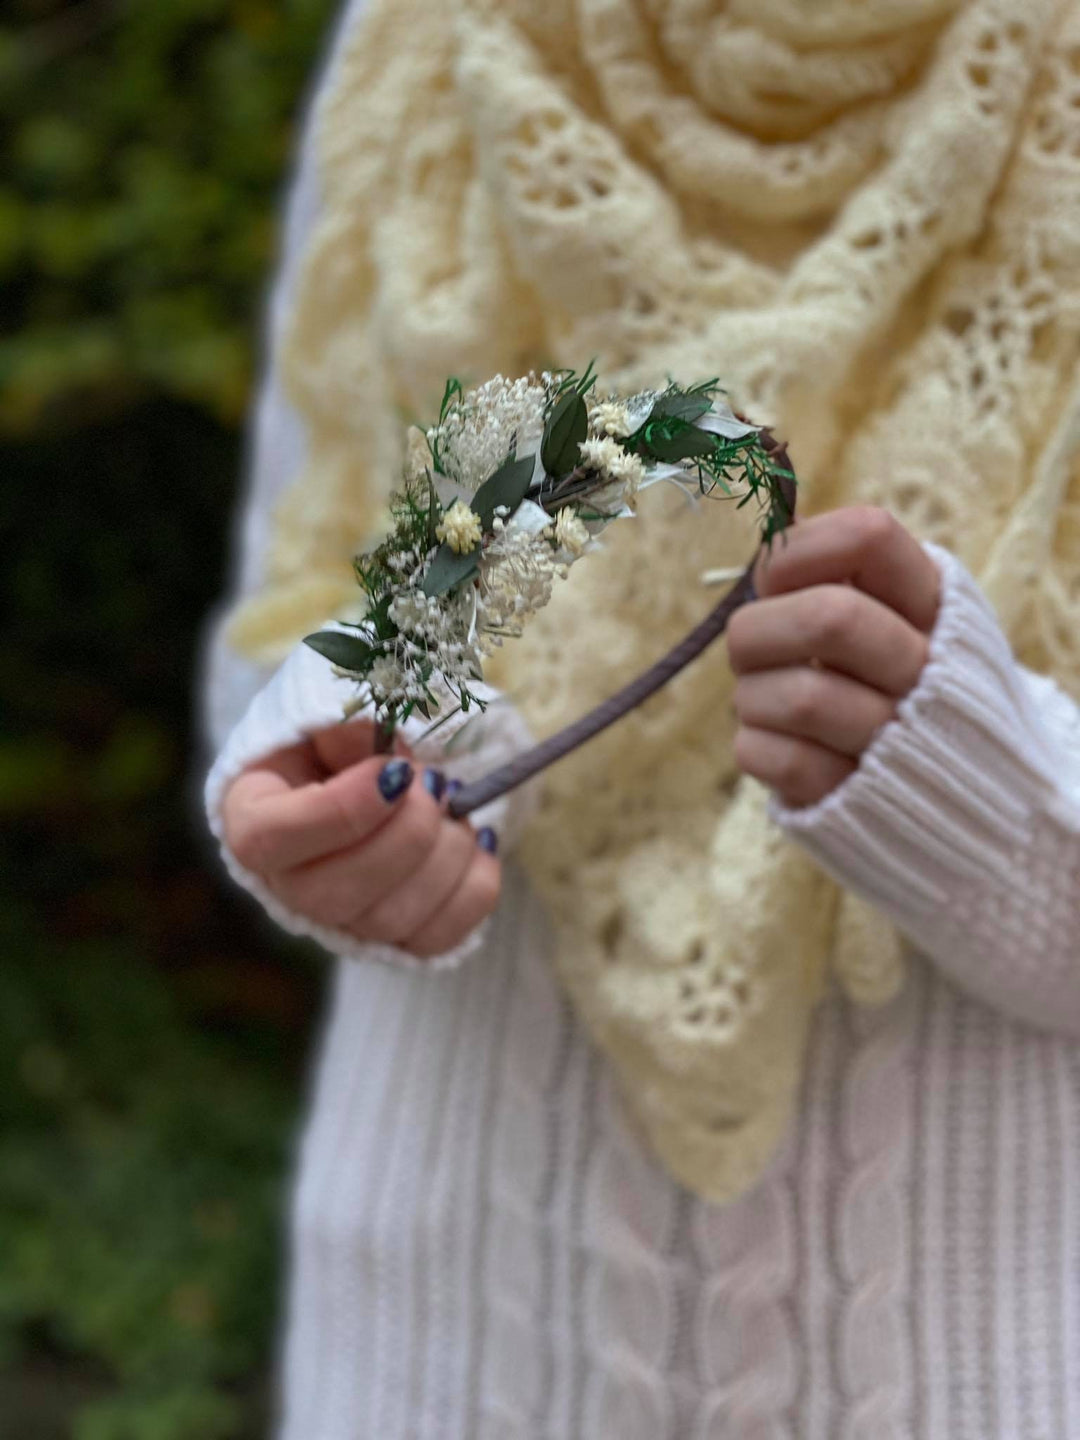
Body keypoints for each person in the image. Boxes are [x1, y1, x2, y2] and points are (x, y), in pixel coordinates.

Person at [200, 2, 1080, 1435]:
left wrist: (988, 783)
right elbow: (291, 617)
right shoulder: (429, 47)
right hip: (450, 1343)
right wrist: (357, 744)